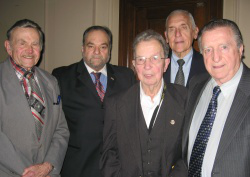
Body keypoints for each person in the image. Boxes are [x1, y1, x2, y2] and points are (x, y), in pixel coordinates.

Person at [100, 29, 187, 177]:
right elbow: (108, 155)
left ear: (166, 64)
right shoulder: (115, 103)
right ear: (134, 64)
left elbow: (188, 154)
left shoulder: (185, 98)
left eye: (154, 58)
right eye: (141, 59)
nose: (147, 66)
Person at [52, 26, 135, 177]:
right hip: (77, 167)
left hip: (117, 168)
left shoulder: (126, 77)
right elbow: (53, 125)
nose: (97, 52)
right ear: (82, 48)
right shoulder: (61, 77)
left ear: (109, 50)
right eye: (91, 46)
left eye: (103, 46)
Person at [0, 19, 69, 177]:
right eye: (22, 43)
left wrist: (47, 165)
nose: (29, 50)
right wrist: (29, 172)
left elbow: (61, 129)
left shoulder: (51, 81)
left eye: (35, 44)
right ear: (8, 47)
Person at [183, 19, 250, 177]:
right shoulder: (196, 85)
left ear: (240, 49)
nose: (216, 57)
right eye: (208, 50)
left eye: (224, 47)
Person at [164, 9, 207, 87]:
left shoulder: (207, 64)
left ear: (195, 32)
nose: (177, 34)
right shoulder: (158, 65)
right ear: (166, 36)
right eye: (172, 30)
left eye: (183, 28)